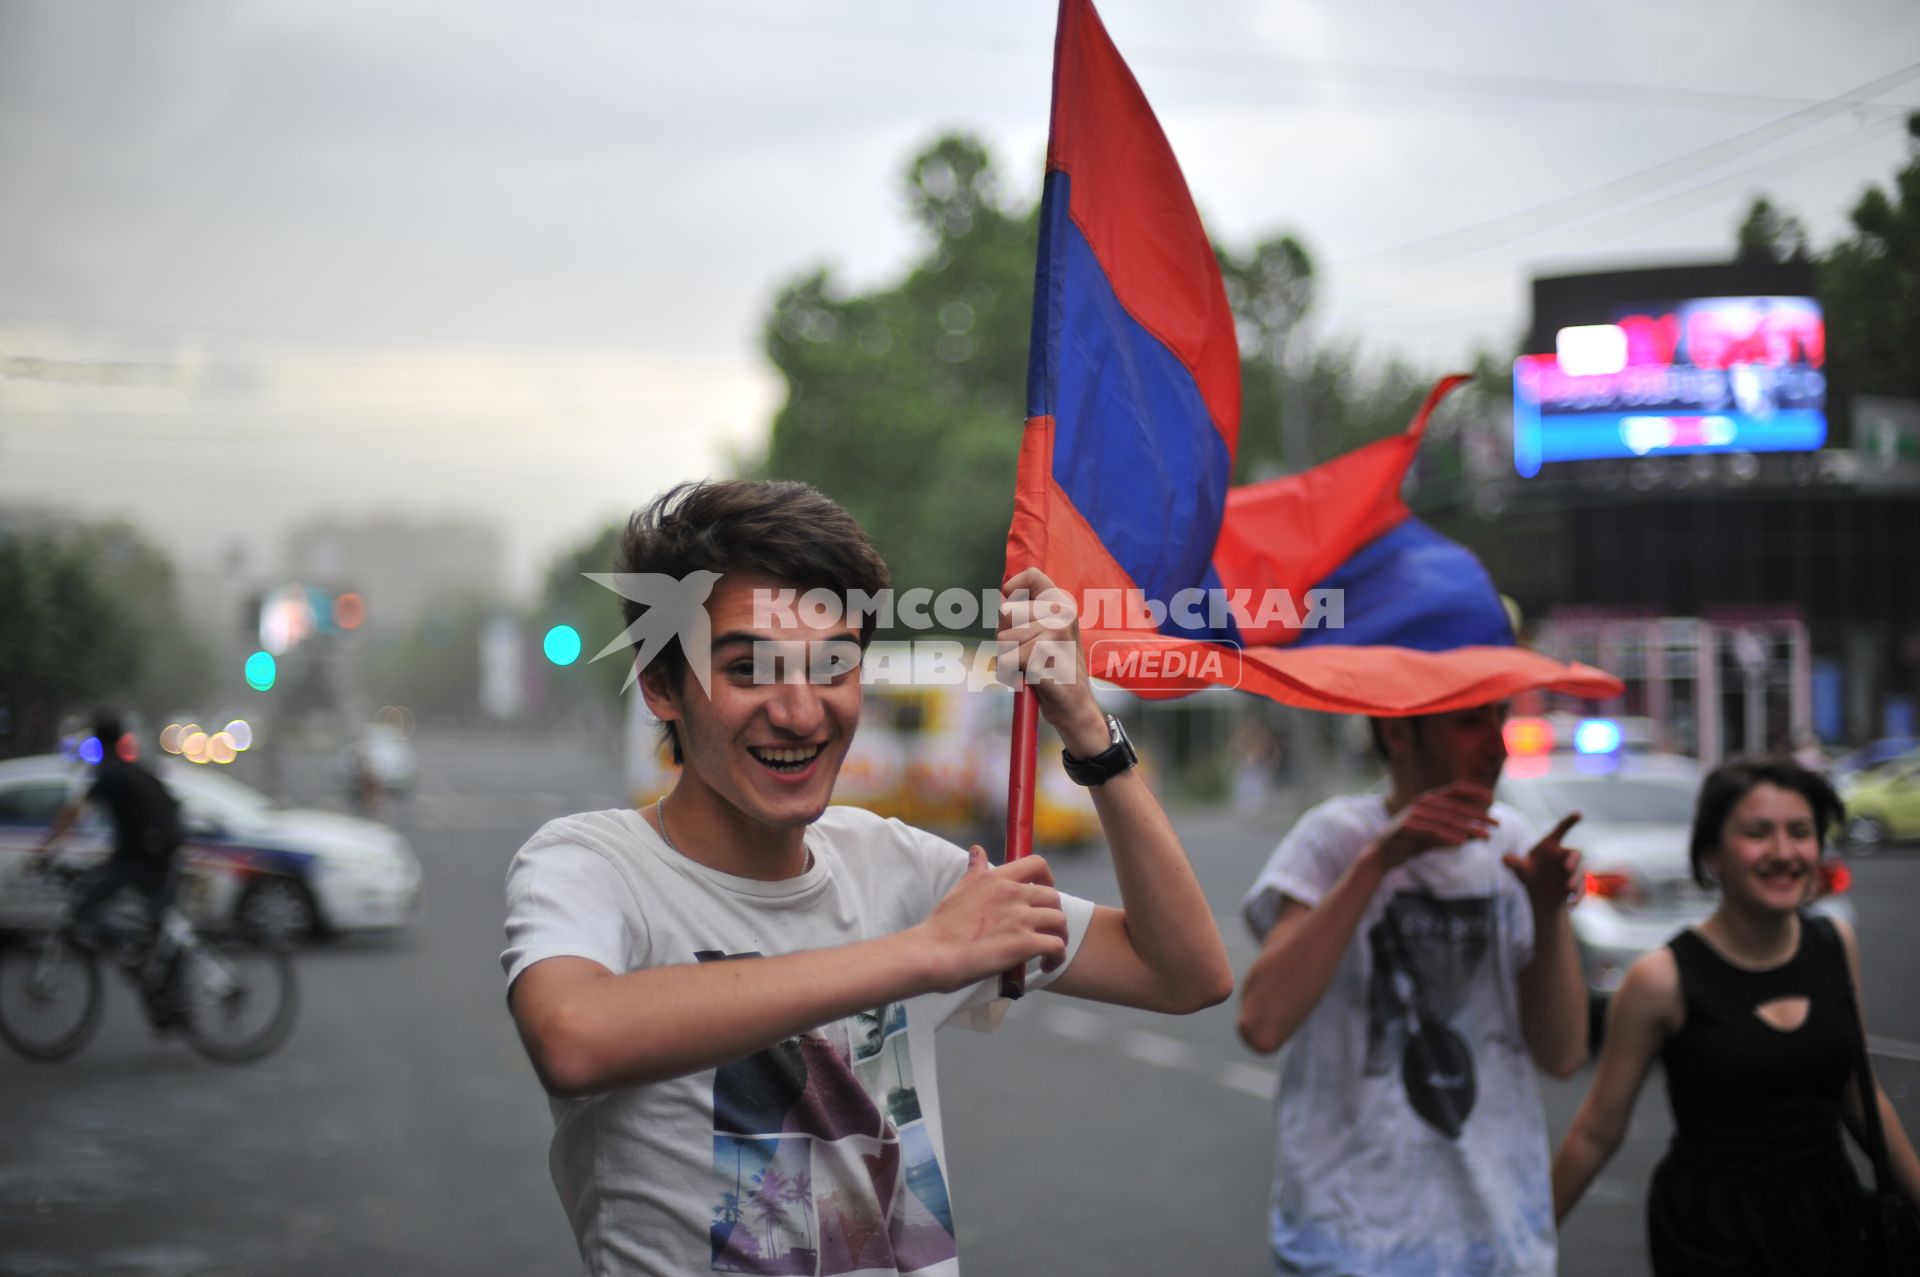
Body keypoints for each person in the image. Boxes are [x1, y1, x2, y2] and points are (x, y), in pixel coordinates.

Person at [502, 479, 1233, 1277]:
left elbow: (1183, 971)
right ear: (660, 685)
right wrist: (923, 953)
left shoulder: (895, 862)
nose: (801, 711)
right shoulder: (594, 863)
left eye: (833, 666)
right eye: (751, 668)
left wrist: (1088, 729)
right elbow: (571, 1034)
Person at [1237, 704, 1589, 1276]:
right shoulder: (1337, 837)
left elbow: (1565, 1052)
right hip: (1348, 1243)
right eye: (1470, 723)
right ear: (1398, 731)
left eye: (1498, 719)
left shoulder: (1514, 842)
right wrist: (1382, 859)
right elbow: (1263, 1021)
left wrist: (1547, 910)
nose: (1496, 746)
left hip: (1499, 1240)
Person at [1551, 757, 1920, 1275]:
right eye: (1757, 832)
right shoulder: (1661, 978)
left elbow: (1860, 1092)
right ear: (1712, 854)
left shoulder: (1836, 944)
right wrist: (1526, 1241)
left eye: (1800, 832)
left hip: (1828, 1218)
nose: (1783, 852)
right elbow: (1597, 1130)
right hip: (1713, 1234)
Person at [34, 711, 185, 953]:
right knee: (156, 919)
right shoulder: (135, 769)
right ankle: (151, 957)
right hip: (158, 853)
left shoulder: (109, 773)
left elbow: (73, 813)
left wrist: (45, 848)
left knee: (84, 908)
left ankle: (129, 942)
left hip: (138, 858)